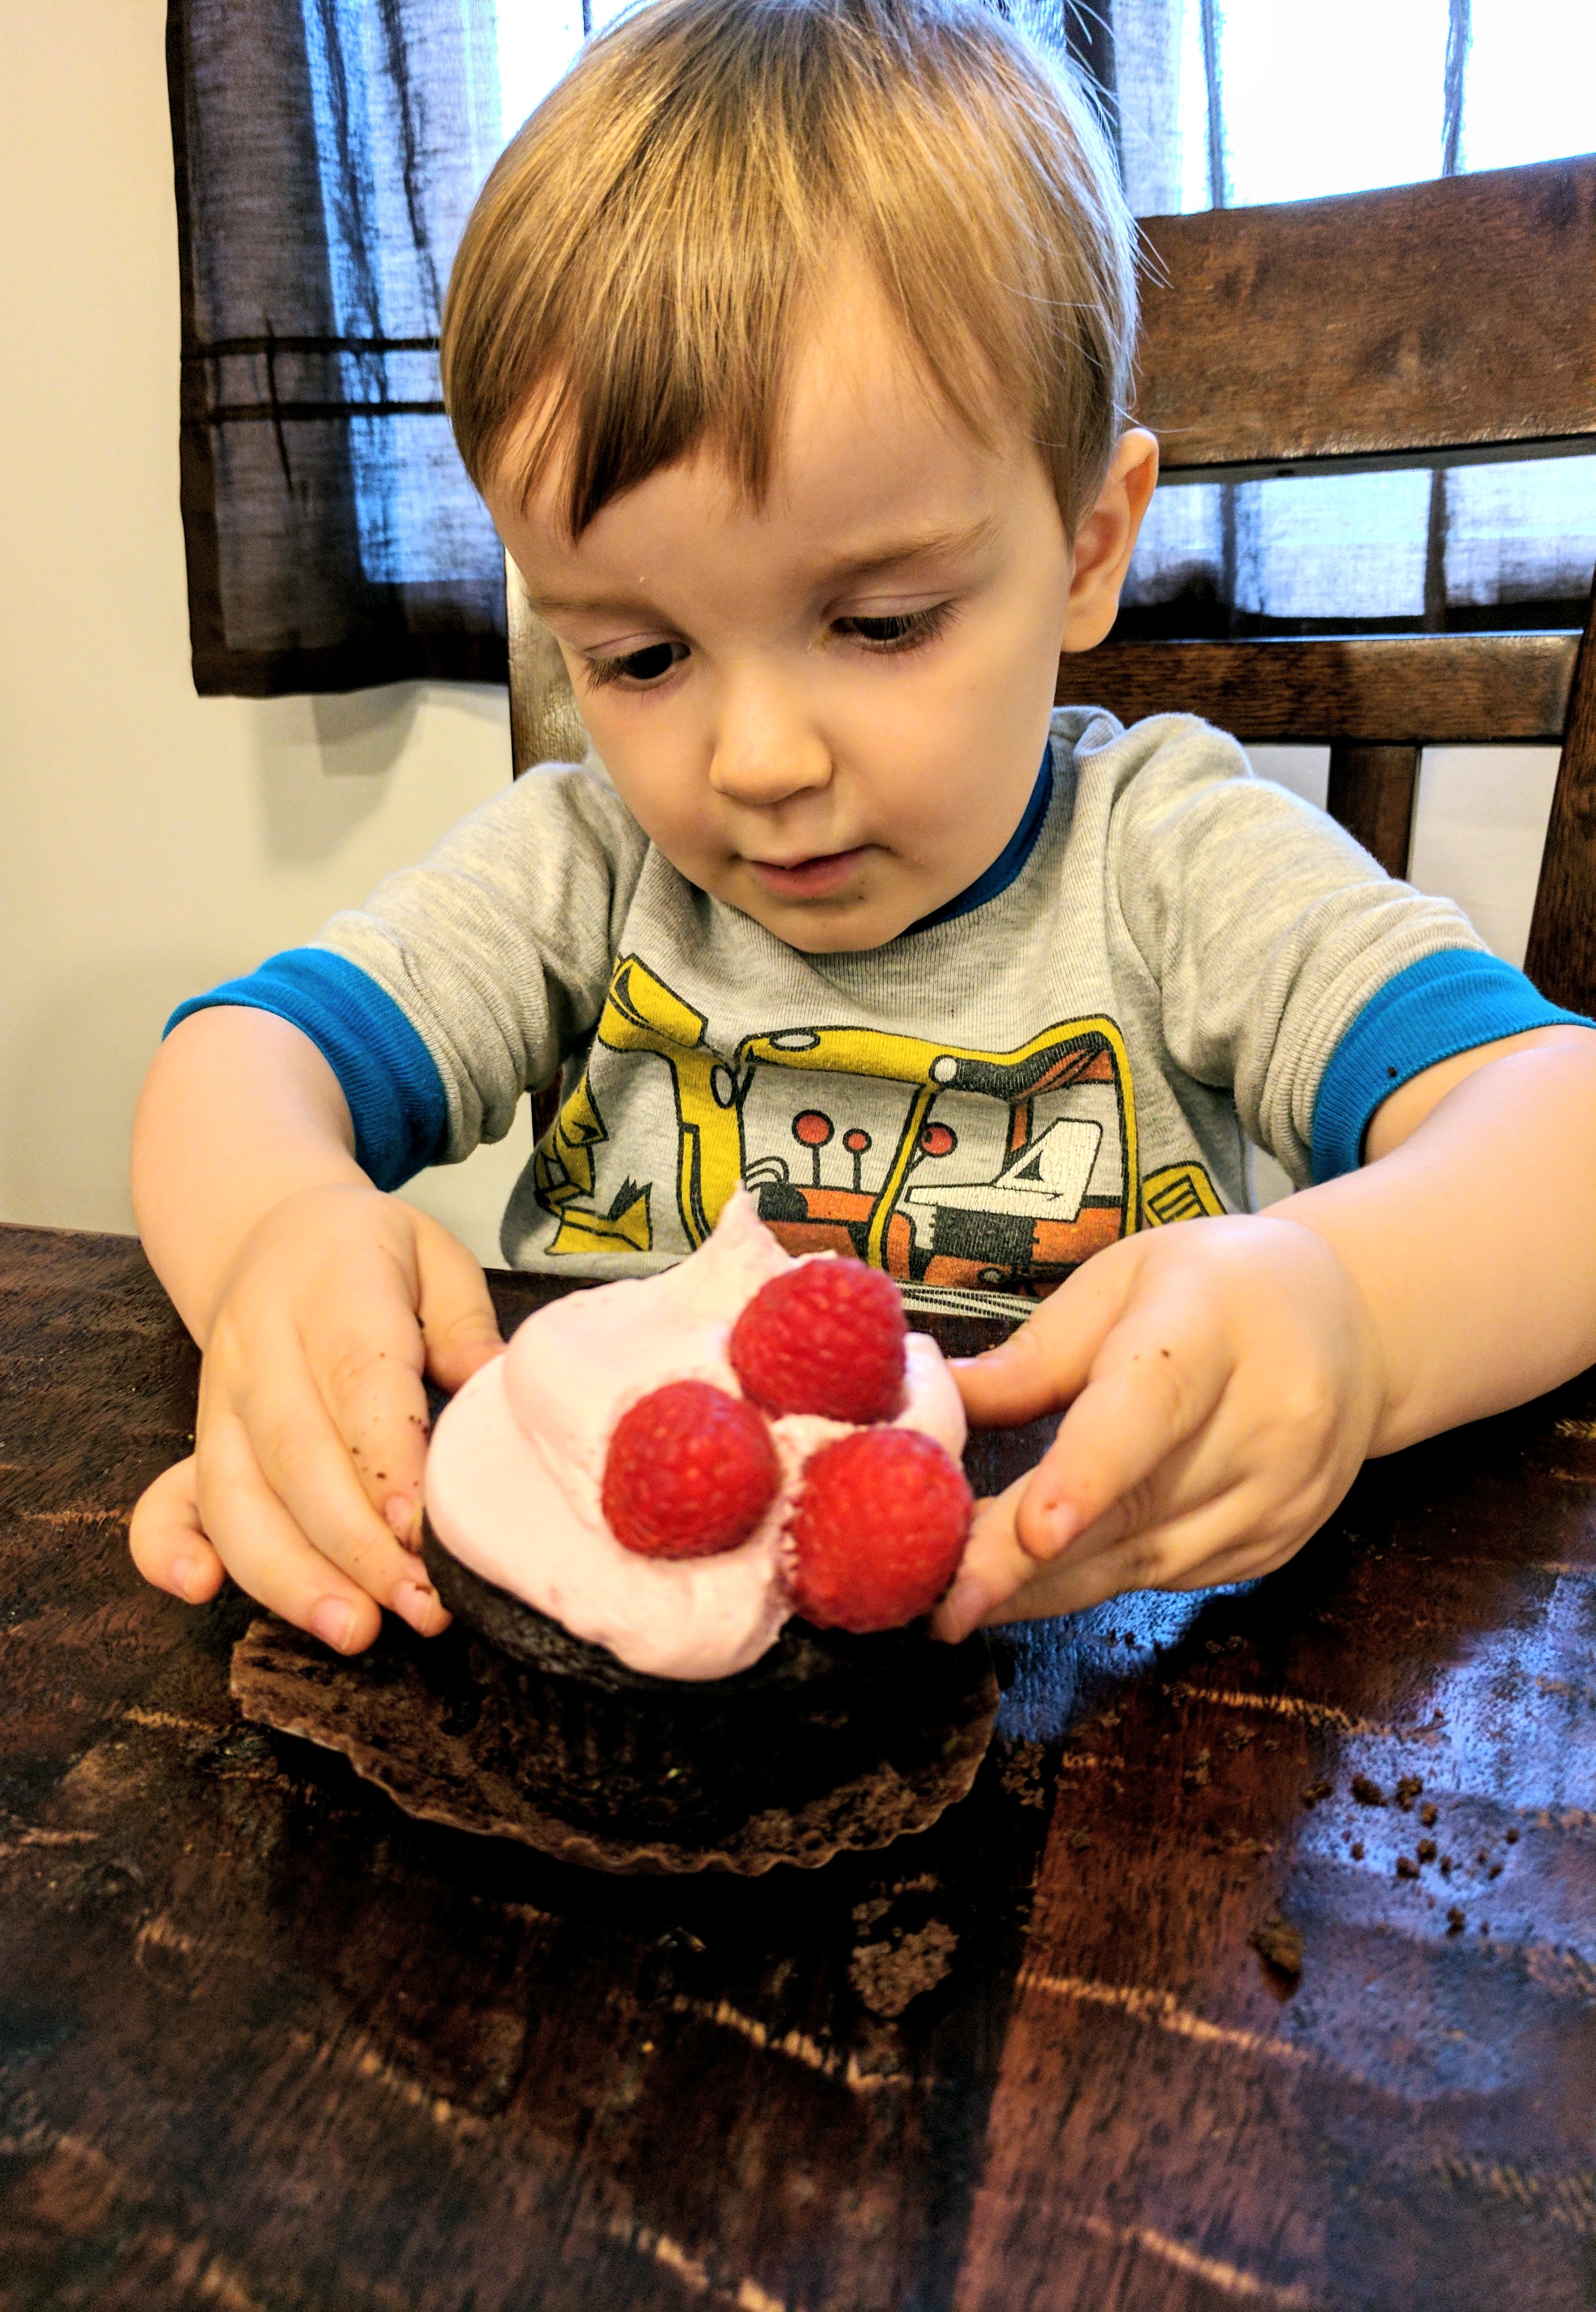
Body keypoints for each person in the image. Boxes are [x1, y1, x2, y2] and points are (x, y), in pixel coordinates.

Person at [129, 0, 1596, 1657]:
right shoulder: (583, 867)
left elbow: (1568, 1133)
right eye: (641, 656)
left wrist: (1358, 1313)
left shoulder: (1168, 859)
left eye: (881, 622)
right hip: (617, 1687)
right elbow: (237, 1059)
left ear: (1089, 545)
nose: (754, 760)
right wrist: (276, 1240)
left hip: (1078, 1680)